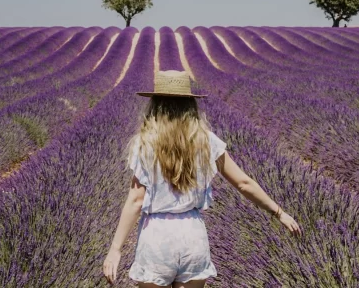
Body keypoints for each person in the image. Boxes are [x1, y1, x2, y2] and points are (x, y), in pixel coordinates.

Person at [103, 70, 302, 287]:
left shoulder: (145, 143)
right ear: (191, 105)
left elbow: (136, 200)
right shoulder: (206, 141)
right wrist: (279, 213)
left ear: (156, 105)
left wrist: (115, 249)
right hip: (192, 237)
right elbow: (244, 183)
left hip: (156, 239)